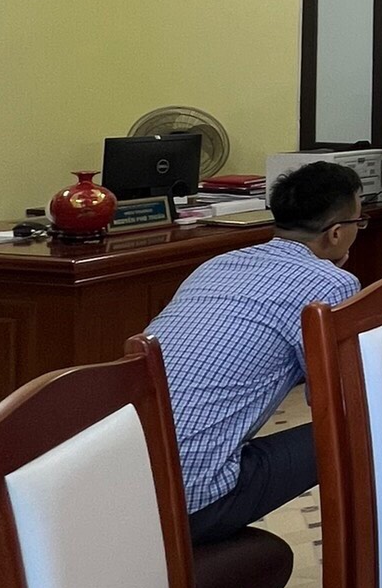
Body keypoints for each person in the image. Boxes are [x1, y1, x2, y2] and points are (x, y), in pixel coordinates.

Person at [144, 158, 364, 543]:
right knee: (358, 428)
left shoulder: (217, 265)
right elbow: (335, 398)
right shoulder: (332, 284)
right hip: (193, 499)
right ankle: (363, 558)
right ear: (335, 233)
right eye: (359, 222)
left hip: (130, 483)